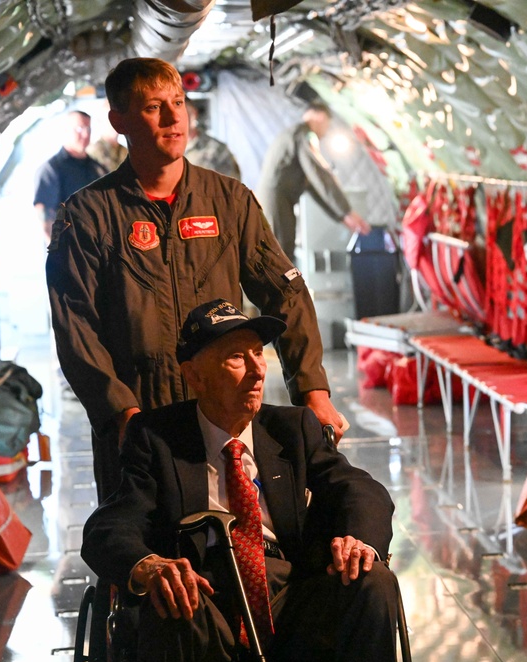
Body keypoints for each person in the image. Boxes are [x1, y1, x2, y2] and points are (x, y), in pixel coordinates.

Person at [46, 58, 346, 503]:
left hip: (223, 411)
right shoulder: (88, 216)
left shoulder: (228, 202)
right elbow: (76, 329)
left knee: (233, 543)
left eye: (178, 103)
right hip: (139, 419)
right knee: (143, 554)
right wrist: (119, 413)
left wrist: (313, 389)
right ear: (119, 121)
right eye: (153, 107)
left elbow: (286, 292)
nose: (173, 118)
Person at [81, 299, 398, 662]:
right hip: (207, 598)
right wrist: (149, 565)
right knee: (174, 600)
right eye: (236, 357)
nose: (257, 370)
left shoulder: (292, 429)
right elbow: (111, 524)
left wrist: (360, 541)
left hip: (290, 592)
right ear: (194, 376)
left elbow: (358, 488)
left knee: (373, 582)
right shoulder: (157, 439)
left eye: (258, 354)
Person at [256, 102, 371, 261]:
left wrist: (342, 215)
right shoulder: (305, 134)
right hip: (276, 199)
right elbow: (319, 173)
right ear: (321, 117)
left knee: (283, 250)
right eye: (327, 126)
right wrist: (346, 212)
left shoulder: (296, 134)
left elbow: (313, 186)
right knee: (280, 252)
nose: (324, 133)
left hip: (276, 199)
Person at [33, 110, 106, 241]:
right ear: (65, 131)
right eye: (79, 129)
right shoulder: (51, 170)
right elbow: (46, 222)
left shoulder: (97, 167)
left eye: (88, 129)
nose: (85, 134)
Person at [184, 98, 241, 180]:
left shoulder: (217, 150)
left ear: (194, 114)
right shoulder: (164, 149)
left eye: (185, 114)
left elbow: (232, 188)